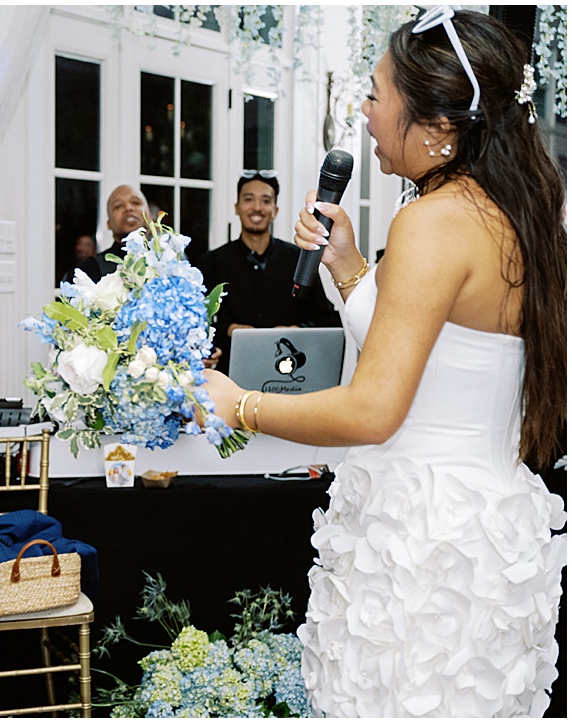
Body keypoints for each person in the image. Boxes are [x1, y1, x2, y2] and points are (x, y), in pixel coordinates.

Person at [201, 8, 566, 716]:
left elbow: (375, 408)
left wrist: (238, 404)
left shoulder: (432, 222)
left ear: (435, 123)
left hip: (425, 547)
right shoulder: (500, 211)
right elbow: (450, 355)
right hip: (477, 533)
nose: (364, 112)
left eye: (375, 93)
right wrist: (351, 267)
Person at [198, 172, 341, 374]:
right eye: (248, 199)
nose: (257, 207)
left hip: (287, 375)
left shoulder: (299, 260)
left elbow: (329, 322)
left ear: (275, 210)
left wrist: (297, 330)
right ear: (236, 208)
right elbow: (196, 324)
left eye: (265, 201)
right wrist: (228, 330)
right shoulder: (212, 262)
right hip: (229, 375)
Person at [63, 184, 150, 284]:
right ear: (108, 224)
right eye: (118, 206)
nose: (128, 208)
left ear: (150, 217)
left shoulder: (166, 264)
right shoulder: (87, 272)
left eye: (135, 202)